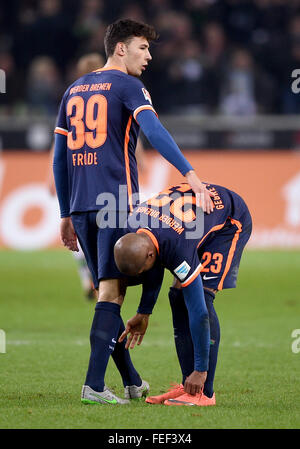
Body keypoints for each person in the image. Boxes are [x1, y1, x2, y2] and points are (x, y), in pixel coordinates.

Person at [53, 18, 215, 406]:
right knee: (111, 294)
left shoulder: (73, 89)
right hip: (116, 202)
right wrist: (190, 174)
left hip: (80, 205)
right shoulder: (128, 85)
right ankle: (93, 385)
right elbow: (155, 131)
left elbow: (59, 158)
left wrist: (64, 212)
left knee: (106, 294)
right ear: (121, 48)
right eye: (143, 47)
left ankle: (130, 381)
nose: (149, 55)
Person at [114, 182, 252, 406]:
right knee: (177, 297)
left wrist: (200, 369)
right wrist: (144, 312)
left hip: (228, 223)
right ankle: (187, 387)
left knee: (203, 299)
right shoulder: (132, 227)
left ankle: (204, 392)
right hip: (186, 222)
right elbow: (154, 265)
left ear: (149, 255)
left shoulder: (177, 247)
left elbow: (199, 313)